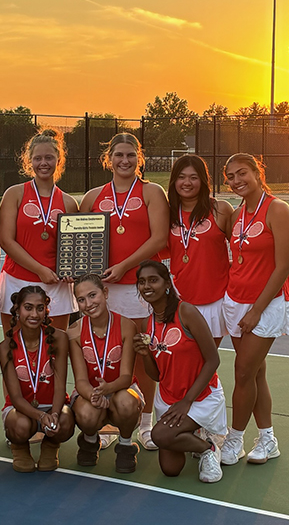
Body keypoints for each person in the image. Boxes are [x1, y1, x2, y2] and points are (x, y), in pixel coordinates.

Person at [80, 132, 169, 450]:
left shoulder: (152, 192)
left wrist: (123, 266)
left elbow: (159, 238)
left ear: (139, 157)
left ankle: (145, 423)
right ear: (109, 158)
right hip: (105, 291)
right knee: (101, 356)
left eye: (131, 155)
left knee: (144, 355)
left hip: (140, 289)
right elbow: (80, 242)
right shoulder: (92, 198)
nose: (125, 160)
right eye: (118, 155)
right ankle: (103, 423)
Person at [219, 153, 289, 466]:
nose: (237, 181)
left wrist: (256, 310)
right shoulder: (237, 214)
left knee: (242, 372)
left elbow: (282, 268)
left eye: (242, 174)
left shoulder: (278, 209)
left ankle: (234, 439)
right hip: (234, 301)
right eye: (230, 177)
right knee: (255, 373)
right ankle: (268, 440)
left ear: (257, 172)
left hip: (266, 304)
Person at [132, 260, 226, 483]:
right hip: (168, 398)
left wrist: (187, 402)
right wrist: (145, 354)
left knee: (160, 435)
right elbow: (156, 375)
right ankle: (192, 434)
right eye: (142, 282)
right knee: (170, 469)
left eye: (153, 280)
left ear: (167, 284)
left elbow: (213, 360)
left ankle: (208, 448)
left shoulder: (187, 312)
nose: (147, 286)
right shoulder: (147, 324)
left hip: (200, 396)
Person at [0, 129, 79, 331]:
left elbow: (72, 249)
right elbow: (6, 241)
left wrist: (71, 271)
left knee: (55, 349)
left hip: (56, 285)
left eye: (49, 158)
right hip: (17, 281)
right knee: (14, 348)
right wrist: (40, 270)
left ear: (58, 161)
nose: (44, 163)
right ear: (29, 162)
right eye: (38, 158)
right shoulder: (14, 194)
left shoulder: (69, 203)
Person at [68, 274, 142, 473]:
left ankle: (126, 446)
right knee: (86, 413)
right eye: (81, 300)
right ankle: (90, 441)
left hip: (121, 389)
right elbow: (81, 380)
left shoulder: (127, 326)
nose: (88, 304)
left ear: (105, 292)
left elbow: (127, 376)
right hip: (90, 392)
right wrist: (94, 394)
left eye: (93, 295)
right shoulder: (74, 332)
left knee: (126, 403)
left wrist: (108, 388)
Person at [0, 286, 74, 473]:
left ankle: (50, 446)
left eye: (40, 308)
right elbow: (15, 397)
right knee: (21, 425)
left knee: (65, 422)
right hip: (21, 409)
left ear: (46, 311)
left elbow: (60, 385)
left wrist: (54, 414)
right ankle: (20, 447)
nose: (34, 314)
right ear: (17, 310)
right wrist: (41, 416)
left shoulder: (59, 338)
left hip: (52, 405)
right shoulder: (5, 347)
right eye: (28, 307)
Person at [167, 154, 233, 347]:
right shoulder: (167, 212)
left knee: (207, 361)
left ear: (203, 181)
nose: (187, 182)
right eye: (181, 177)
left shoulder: (220, 210)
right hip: (180, 299)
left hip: (215, 300)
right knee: (185, 359)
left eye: (194, 177)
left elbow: (240, 250)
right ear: (174, 181)